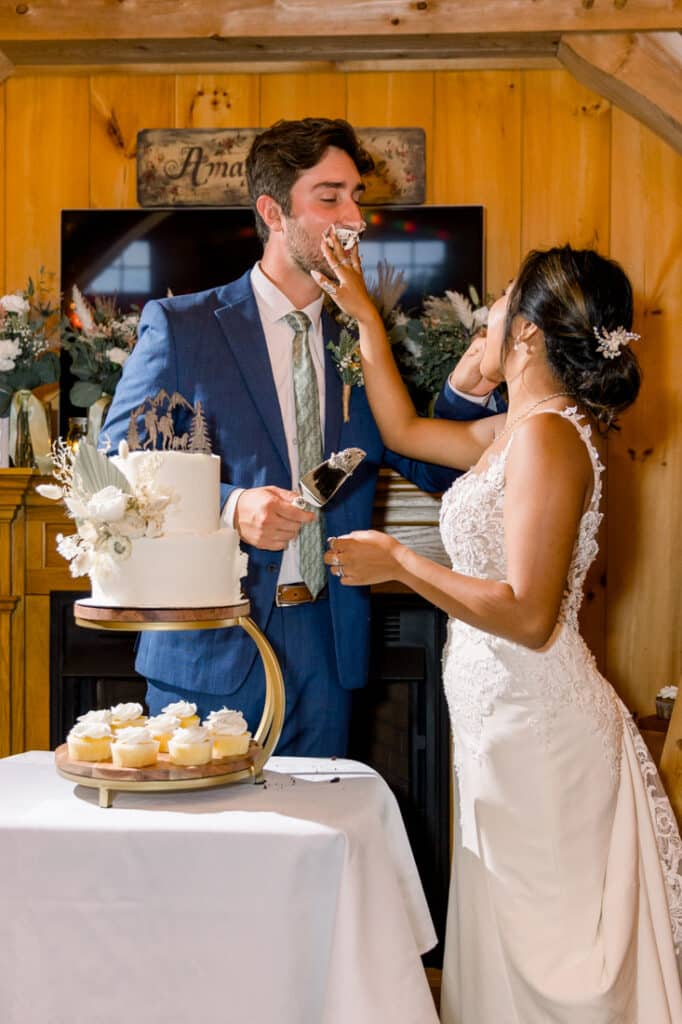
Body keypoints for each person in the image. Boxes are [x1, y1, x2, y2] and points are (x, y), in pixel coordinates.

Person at [314, 235, 682, 1021]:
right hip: (497, 725)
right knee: (512, 937)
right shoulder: (512, 431)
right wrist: (366, 323)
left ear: (527, 332)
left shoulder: (549, 438)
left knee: (553, 954)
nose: (489, 306)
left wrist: (402, 565)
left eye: (505, 295)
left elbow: (527, 612)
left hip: (540, 730)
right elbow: (406, 431)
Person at [102, 116, 481, 756]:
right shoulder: (181, 327)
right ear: (273, 211)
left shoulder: (361, 342)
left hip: (329, 655)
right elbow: (113, 468)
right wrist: (229, 506)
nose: (353, 217)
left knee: (315, 853)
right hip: (212, 643)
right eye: (329, 197)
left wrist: (472, 385)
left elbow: (438, 470)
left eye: (357, 196)